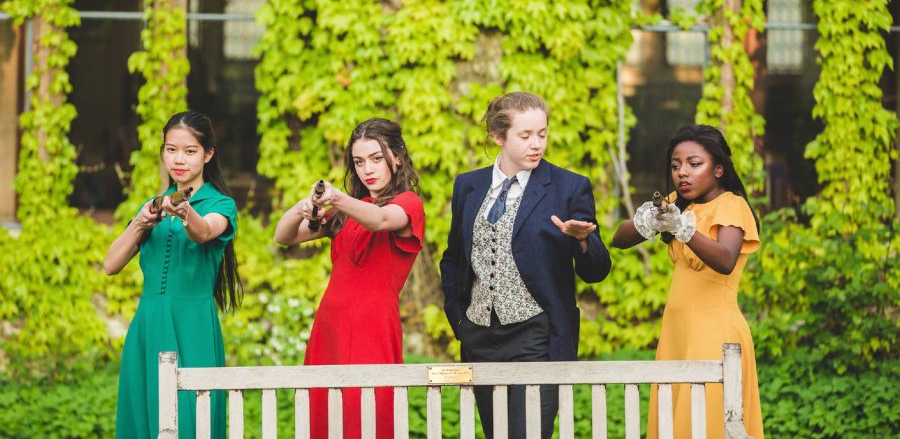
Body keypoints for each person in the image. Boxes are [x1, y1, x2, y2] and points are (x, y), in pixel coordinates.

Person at [440, 91, 611, 438]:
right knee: (496, 434)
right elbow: (454, 258)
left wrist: (581, 240)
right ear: (498, 137)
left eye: (542, 134)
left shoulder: (568, 187)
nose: (537, 144)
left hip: (537, 336)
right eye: (526, 135)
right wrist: (459, 318)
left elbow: (596, 271)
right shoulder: (468, 186)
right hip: (479, 335)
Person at [274, 117, 425, 439]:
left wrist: (337, 198)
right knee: (323, 417)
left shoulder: (407, 203)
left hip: (373, 326)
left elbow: (381, 219)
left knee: (370, 415)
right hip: (330, 325)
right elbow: (284, 236)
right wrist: (307, 206)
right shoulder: (347, 210)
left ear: (396, 157)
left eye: (376, 158)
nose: (367, 169)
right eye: (358, 161)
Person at [612, 124, 764, 439]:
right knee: (673, 421)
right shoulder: (679, 204)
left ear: (718, 169)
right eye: (676, 165)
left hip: (714, 331)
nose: (683, 172)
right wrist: (651, 220)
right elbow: (619, 239)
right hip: (675, 332)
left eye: (695, 164)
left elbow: (725, 260)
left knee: (703, 422)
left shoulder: (731, 205)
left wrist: (683, 229)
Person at [105, 110, 242, 439]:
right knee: (142, 419)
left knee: (193, 421)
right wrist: (140, 221)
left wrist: (184, 211)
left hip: (192, 324)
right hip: (147, 325)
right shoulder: (150, 206)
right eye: (171, 149)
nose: (179, 159)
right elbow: (111, 264)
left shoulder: (221, 204)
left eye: (190, 151)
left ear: (208, 154)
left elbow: (204, 232)